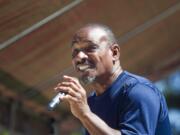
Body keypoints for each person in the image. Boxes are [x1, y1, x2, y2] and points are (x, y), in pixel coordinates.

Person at [54, 23, 172, 135]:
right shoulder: (91, 102)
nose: (79, 57)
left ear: (114, 53)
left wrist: (85, 115)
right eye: (75, 51)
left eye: (90, 48)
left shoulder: (139, 91)